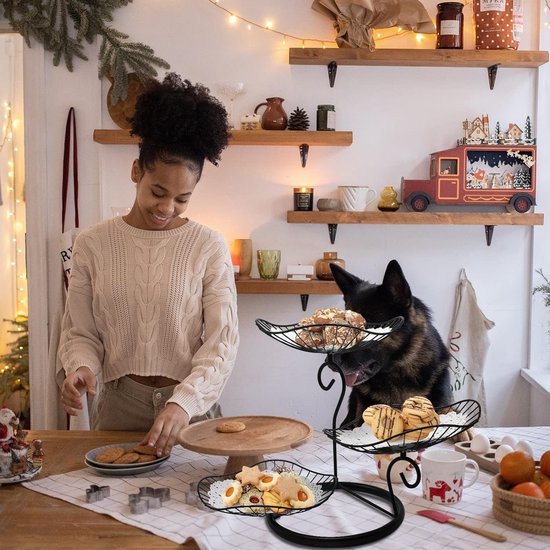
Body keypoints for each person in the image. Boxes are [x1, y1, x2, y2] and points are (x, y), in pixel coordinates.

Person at [59, 73, 239, 456]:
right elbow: (81, 332)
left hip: (190, 410)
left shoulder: (208, 245)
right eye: (158, 191)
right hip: (119, 409)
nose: (167, 208)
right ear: (136, 171)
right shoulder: (92, 244)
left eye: (182, 199)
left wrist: (184, 402)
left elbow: (221, 341)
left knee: (197, 513)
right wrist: (81, 368)